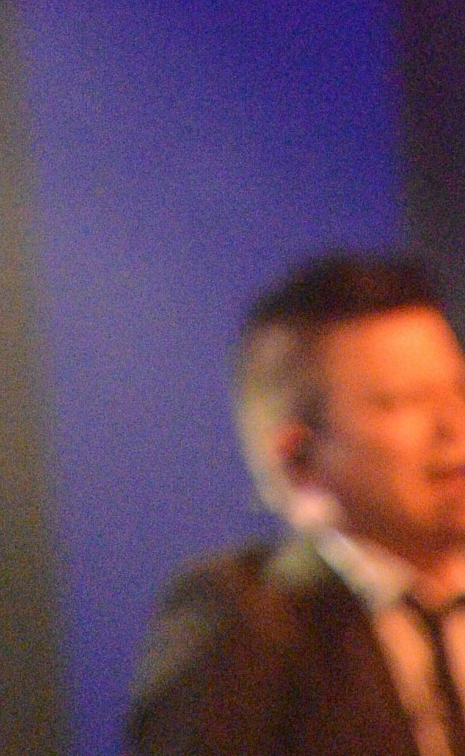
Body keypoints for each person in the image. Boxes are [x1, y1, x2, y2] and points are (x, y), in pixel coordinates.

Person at [129, 255, 465, 756]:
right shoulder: (246, 625)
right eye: (402, 401)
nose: (452, 426)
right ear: (298, 458)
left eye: (459, 388)